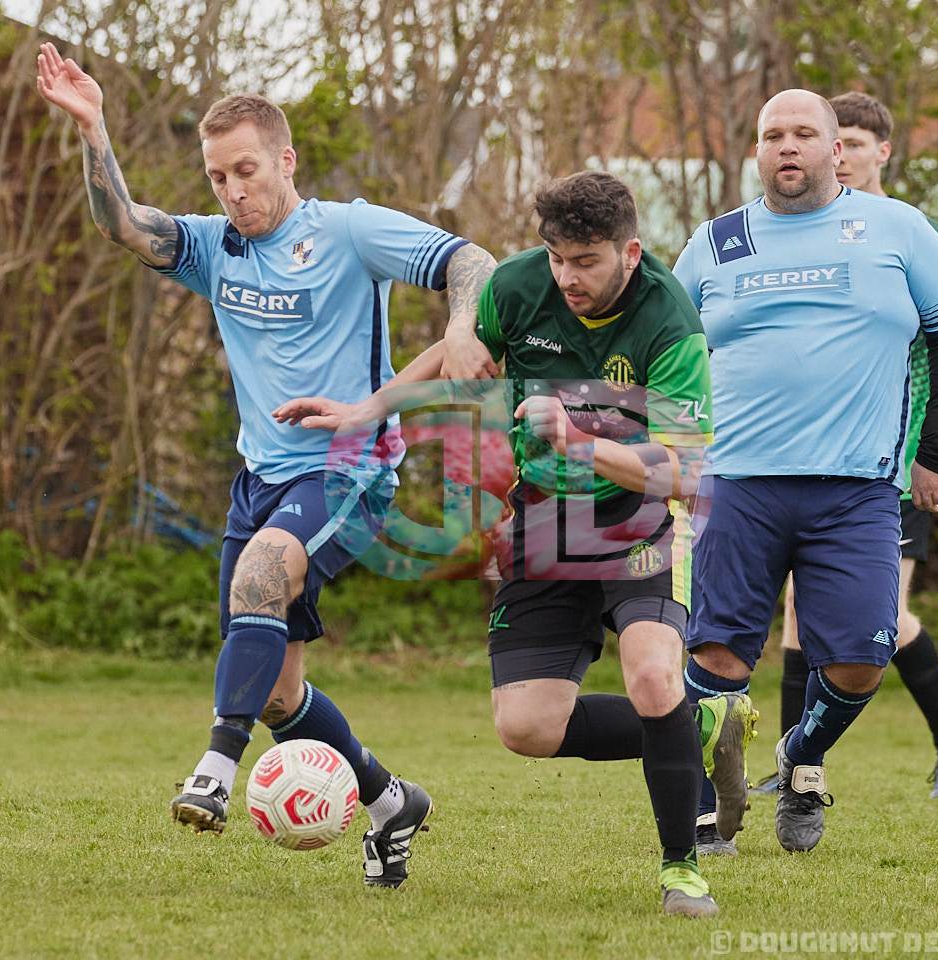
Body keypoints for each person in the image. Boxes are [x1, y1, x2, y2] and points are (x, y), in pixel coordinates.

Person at [35, 42, 497, 888]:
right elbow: (123, 225)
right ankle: (390, 801)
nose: (232, 191)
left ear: (285, 161)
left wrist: (462, 328)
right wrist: (93, 128)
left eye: (246, 171)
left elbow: (472, 262)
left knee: (261, 574)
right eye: (217, 177)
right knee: (280, 693)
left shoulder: (349, 229)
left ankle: (215, 769)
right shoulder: (215, 248)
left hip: (349, 469)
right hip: (259, 481)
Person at [279, 171, 721, 918]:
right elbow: (455, 351)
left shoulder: (670, 322)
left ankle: (682, 871)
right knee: (526, 728)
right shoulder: (517, 286)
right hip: (543, 521)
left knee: (652, 675)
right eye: (556, 258)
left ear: (629, 252)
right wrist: (369, 409)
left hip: (638, 520)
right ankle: (697, 721)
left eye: (585, 261)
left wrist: (581, 442)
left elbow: (685, 472)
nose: (567, 277)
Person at [673, 89, 938, 855]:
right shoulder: (715, 242)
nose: (789, 145)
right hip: (736, 483)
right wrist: (673, 451)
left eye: (804, 133)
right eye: (773, 134)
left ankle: (800, 757)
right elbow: (668, 353)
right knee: (716, 656)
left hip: (857, 488)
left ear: (836, 151)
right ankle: (707, 810)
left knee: (860, 661)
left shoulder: (899, 228)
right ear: (756, 152)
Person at [751, 91, 938, 801]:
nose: (842, 154)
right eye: (838, 141)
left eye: (854, 142)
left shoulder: (913, 232)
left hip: (902, 456)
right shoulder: (808, 231)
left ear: (881, 151)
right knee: (800, 614)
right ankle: (796, 768)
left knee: (884, 621)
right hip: (821, 458)